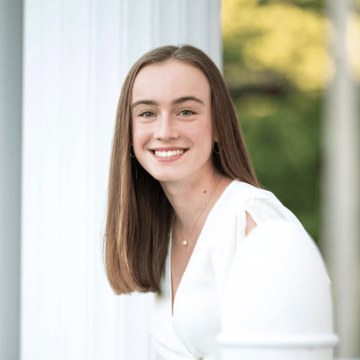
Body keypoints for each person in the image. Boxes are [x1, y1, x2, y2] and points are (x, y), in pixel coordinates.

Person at [103, 45, 311, 359]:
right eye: (147, 113)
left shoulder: (252, 221)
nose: (164, 131)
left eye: (185, 111)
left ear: (218, 126)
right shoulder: (165, 227)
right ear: (129, 131)